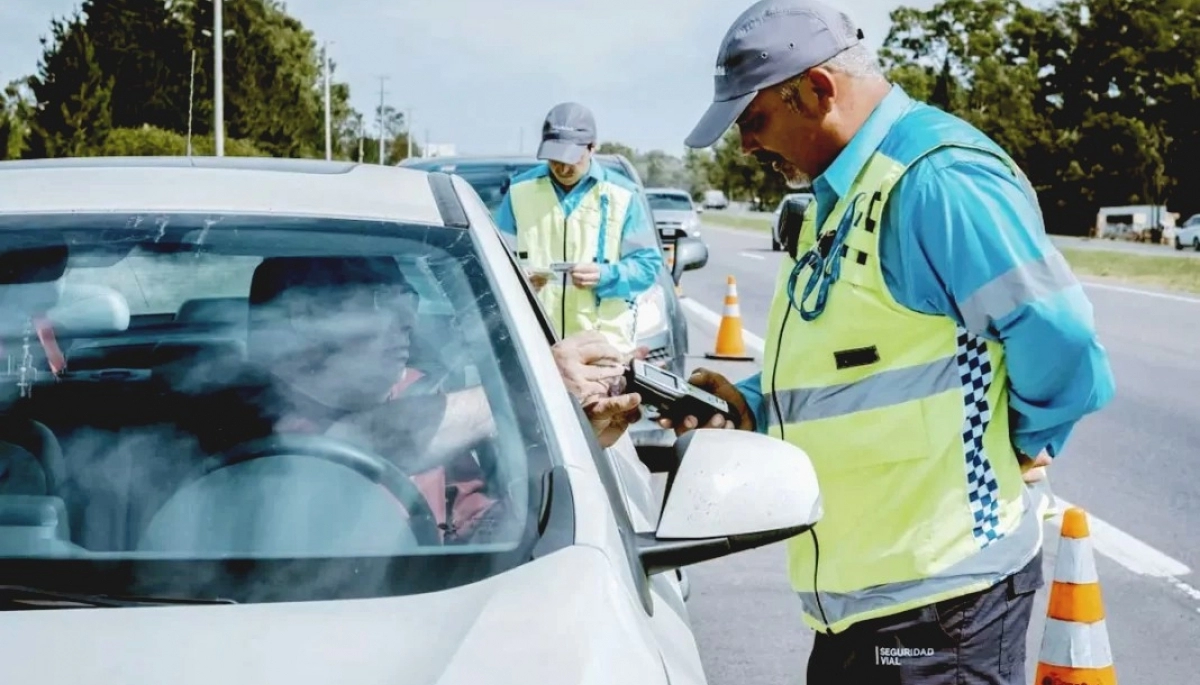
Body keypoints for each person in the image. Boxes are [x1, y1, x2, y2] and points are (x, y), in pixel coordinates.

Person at [669, 1, 1117, 682]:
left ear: (817, 89)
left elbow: (1061, 336)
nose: (747, 146)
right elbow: (865, 360)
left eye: (753, 120)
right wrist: (752, 402)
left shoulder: (936, 181)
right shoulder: (839, 195)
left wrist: (1021, 440)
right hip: (862, 610)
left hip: (942, 612)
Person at [193, 256, 643, 545]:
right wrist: (533, 388)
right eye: (378, 300)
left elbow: (484, 531)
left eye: (408, 299)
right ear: (304, 316)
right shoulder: (235, 413)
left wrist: (570, 444)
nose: (408, 318)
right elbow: (355, 443)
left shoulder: (426, 395)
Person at [494, 102, 664, 355]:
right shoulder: (519, 191)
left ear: (593, 147)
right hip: (535, 345)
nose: (562, 168)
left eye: (571, 159)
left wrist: (605, 275)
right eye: (554, 159)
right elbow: (495, 261)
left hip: (604, 348)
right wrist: (519, 277)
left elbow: (647, 267)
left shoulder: (624, 195)